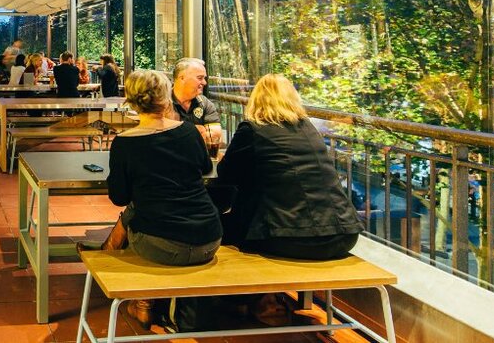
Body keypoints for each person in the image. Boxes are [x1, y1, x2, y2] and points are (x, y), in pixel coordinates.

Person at [106, 69, 222, 325]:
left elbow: (119, 196)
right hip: (209, 239)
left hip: (161, 246)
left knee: (134, 212)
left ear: (131, 100)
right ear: (166, 97)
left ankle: (142, 300)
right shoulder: (190, 132)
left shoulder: (125, 143)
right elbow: (205, 169)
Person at [216, 74, 363, 260]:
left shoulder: (252, 129)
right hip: (345, 234)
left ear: (257, 99)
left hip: (293, 236)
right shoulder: (307, 128)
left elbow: (226, 176)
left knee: (212, 226)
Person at [170, 57, 222, 148]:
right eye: (200, 78)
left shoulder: (204, 103)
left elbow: (215, 138)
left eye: (204, 78)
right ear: (182, 78)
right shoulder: (161, 102)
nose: (204, 82)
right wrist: (196, 130)